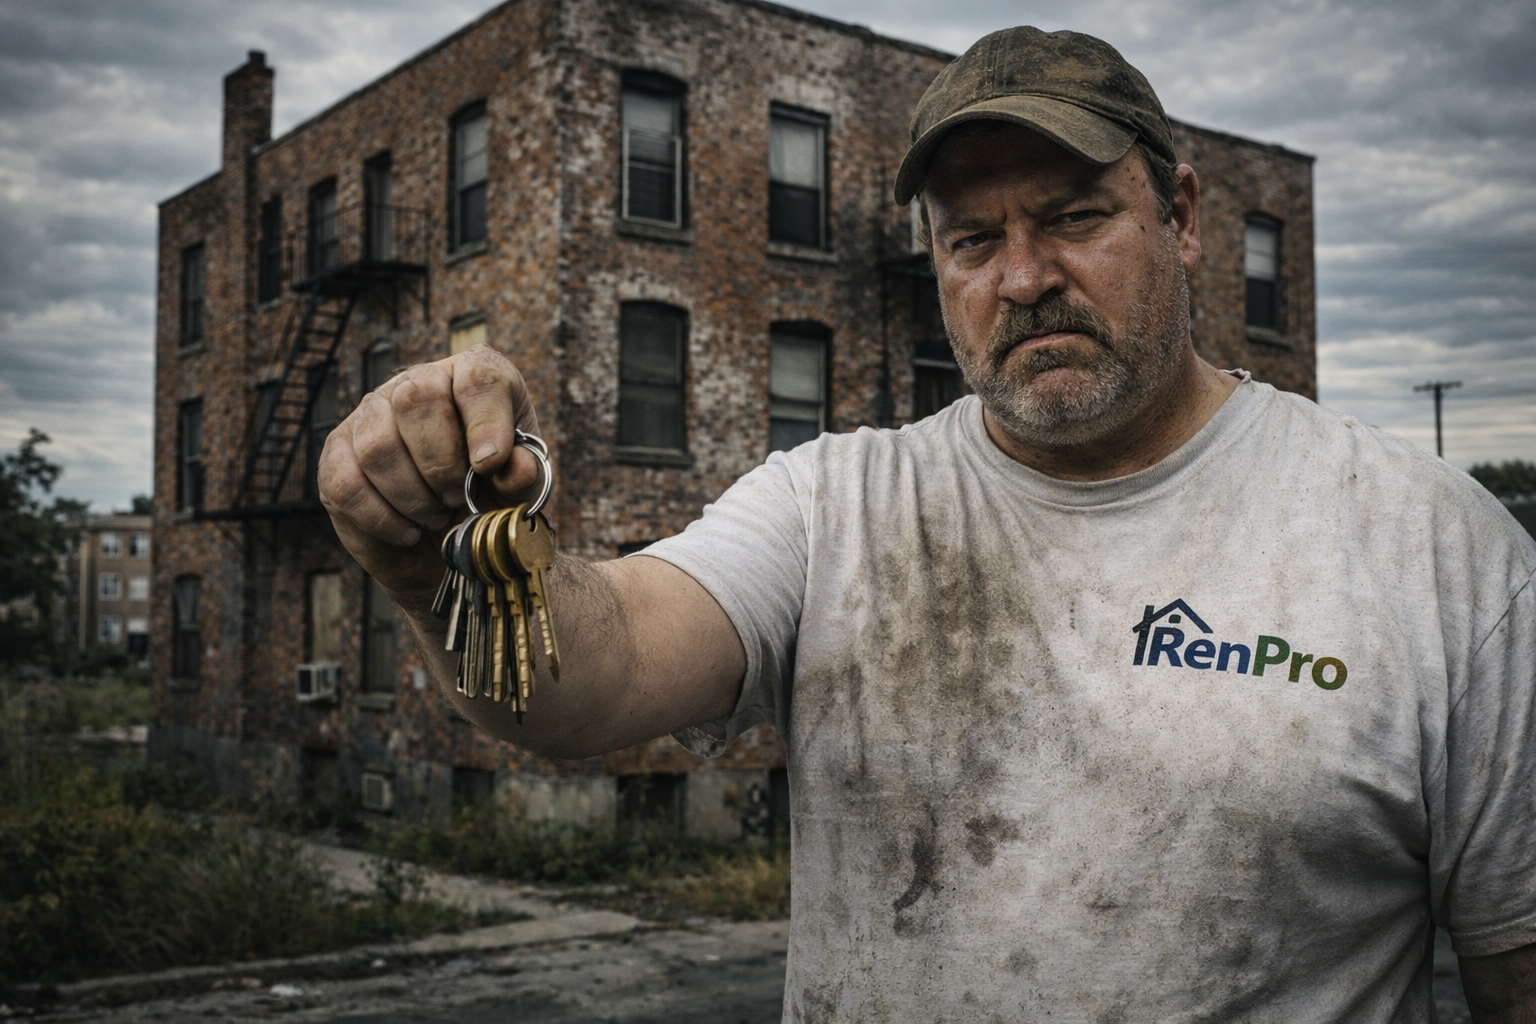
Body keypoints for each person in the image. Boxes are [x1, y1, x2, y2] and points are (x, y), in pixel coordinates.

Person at [319, 25, 1536, 1023]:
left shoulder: (1436, 549)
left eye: (1072, 218)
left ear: (1184, 217)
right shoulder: (832, 505)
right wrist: (431, 559)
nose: (1022, 278)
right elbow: (595, 675)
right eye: (972, 239)